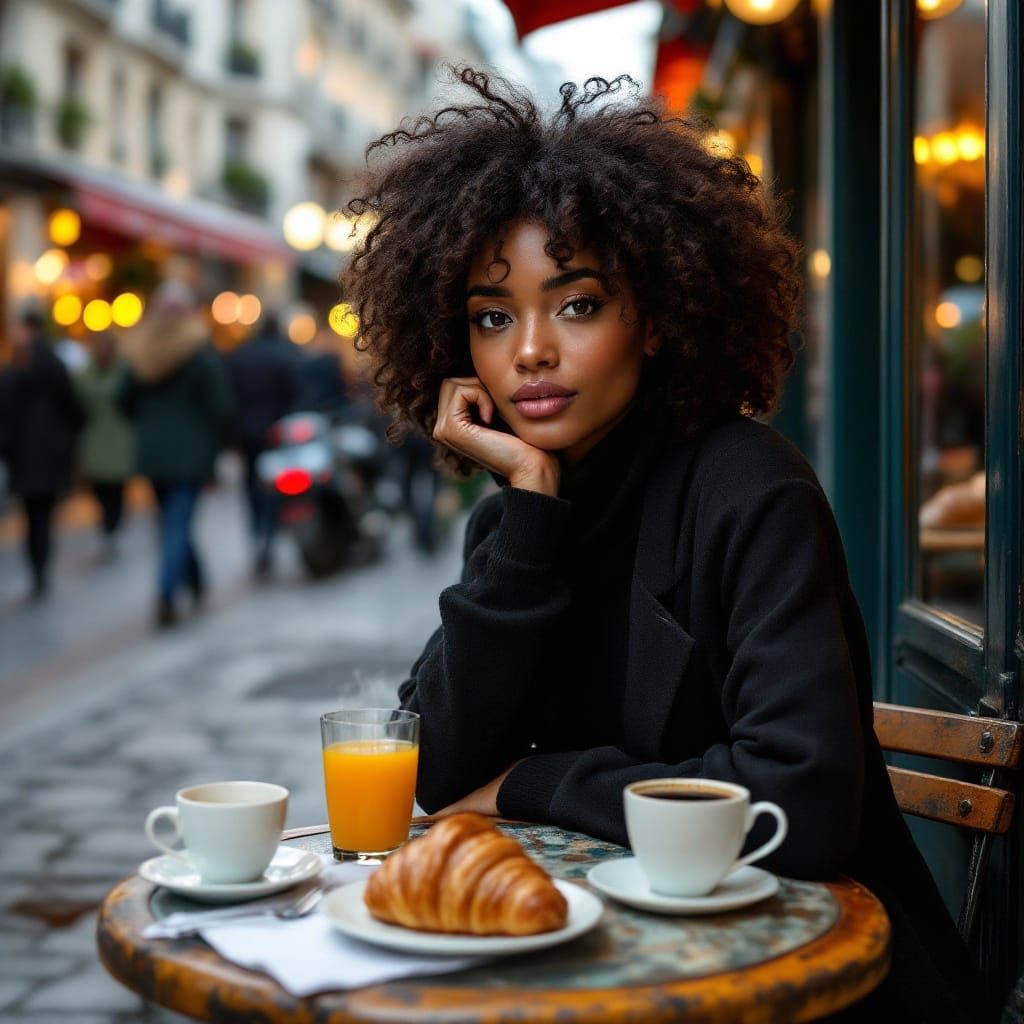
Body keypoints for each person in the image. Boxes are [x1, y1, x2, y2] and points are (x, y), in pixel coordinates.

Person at [340, 68, 987, 1022]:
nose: (528, 352)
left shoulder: (747, 487)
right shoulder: (523, 513)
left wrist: (533, 782)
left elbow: (794, 805)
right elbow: (427, 771)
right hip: (605, 966)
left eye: (577, 304)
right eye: (491, 316)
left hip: (808, 983)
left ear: (655, 317)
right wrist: (526, 514)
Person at [119, 281, 233, 627]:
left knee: (172, 521)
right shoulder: (199, 348)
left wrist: (148, 424)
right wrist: (217, 449)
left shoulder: (139, 348)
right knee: (178, 522)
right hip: (191, 451)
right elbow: (219, 405)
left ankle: (195, 579)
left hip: (153, 452)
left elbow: (124, 399)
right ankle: (167, 592)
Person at [0, 310, 84, 598]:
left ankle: (37, 567)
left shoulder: (18, 367)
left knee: (33, 514)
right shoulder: (52, 364)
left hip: (27, 452)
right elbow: (73, 409)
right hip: (47, 452)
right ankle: (40, 565)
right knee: (42, 515)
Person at [226, 312, 301, 576]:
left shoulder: (241, 355)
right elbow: (295, 393)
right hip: (274, 433)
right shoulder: (284, 355)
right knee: (272, 487)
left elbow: (229, 396)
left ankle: (257, 531)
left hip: (246, 433)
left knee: (250, 485)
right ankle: (268, 534)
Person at [74, 331, 135, 557]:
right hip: (94, 438)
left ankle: (113, 526)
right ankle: (108, 525)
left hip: (119, 437)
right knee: (99, 487)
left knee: (117, 487)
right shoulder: (83, 374)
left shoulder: (125, 370)